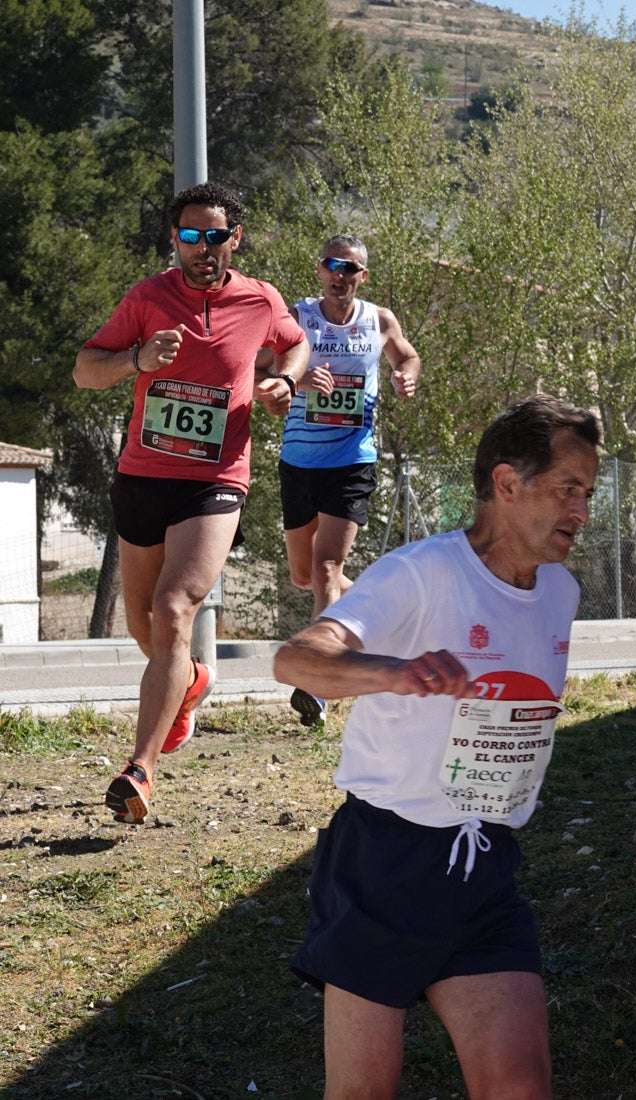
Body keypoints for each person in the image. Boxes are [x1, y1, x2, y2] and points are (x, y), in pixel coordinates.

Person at [274, 393, 601, 1099]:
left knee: (519, 1088)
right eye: (567, 489)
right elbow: (297, 660)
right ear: (507, 483)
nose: (582, 510)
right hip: (384, 864)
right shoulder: (421, 572)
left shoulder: (560, 593)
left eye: (589, 493)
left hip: (484, 867)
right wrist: (395, 672)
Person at [73, 181, 309, 825]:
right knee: (146, 629)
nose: (201, 247)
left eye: (214, 235)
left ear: (236, 238)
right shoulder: (148, 297)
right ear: (174, 240)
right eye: (189, 235)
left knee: (175, 610)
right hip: (143, 476)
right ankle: (193, 682)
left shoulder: (260, 299)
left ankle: (140, 768)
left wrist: (283, 379)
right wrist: (134, 359)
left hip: (216, 480)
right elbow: (85, 368)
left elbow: (293, 341)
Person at [273, 233, 421, 727]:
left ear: (363, 276)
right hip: (298, 460)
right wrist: (297, 379)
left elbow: (407, 356)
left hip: (352, 460)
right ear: (320, 270)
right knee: (307, 576)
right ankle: (388, 617)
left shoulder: (378, 320)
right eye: (333, 266)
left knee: (327, 566)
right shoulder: (298, 317)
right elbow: (265, 370)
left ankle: (316, 683)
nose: (341, 275)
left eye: (351, 268)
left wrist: (407, 376)